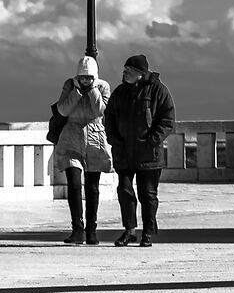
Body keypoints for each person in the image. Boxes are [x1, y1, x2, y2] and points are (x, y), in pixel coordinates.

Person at [106, 52, 175, 248]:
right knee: (125, 191)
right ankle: (129, 231)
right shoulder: (119, 92)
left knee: (148, 194)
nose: (124, 73)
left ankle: (148, 232)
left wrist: (153, 140)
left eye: (128, 70)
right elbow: (109, 117)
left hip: (149, 154)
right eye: (124, 70)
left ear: (139, 73)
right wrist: (114, 140)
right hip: (124, 152)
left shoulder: (158, 90)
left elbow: (167, 118)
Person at [52, 54, 113, 244]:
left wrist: (93, 89)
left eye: (89, 78)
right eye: (82, 77)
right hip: (71, 137)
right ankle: (77, 229)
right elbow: (63, 110)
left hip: (95, 138)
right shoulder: (70, 86)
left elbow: (100, 111)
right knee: (75, 184)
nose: (85, 80)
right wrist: (77, 92)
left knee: (92, 187)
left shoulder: (103, 87)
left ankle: (91, 230)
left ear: (95, 77)